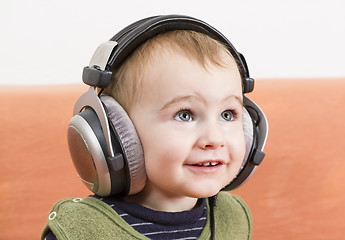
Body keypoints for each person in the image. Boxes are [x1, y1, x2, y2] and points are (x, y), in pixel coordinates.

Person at [41, 15, 268, 240]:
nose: (214, 138)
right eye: (185, 115)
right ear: (118, 133)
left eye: (227, 115)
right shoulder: (81, 231)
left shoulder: (233, 218)